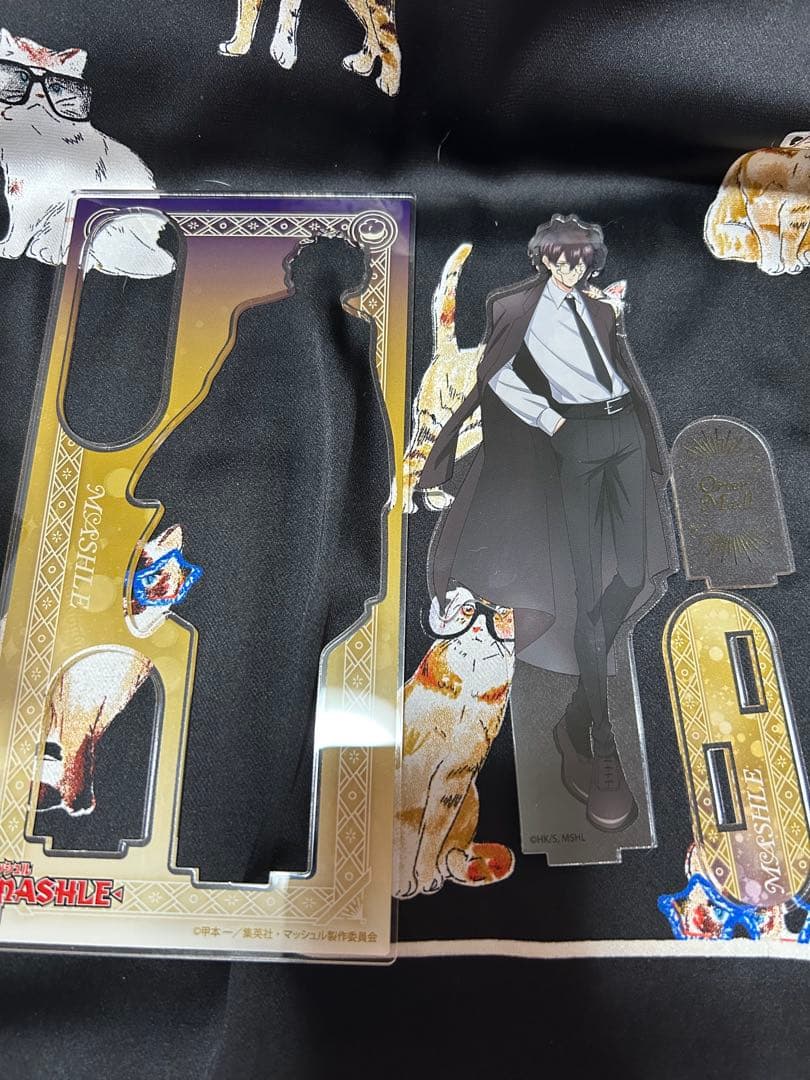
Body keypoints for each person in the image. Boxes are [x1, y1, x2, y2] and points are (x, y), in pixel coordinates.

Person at [417, 214, 675, 831]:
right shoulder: (512, 306)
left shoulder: (602, 309)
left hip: (621, 433)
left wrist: (651, 450)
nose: (571, 267)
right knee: (587, 590)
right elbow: (492, 377)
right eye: (562, 257)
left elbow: (625, 373)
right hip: (572, 440)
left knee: (634, 574)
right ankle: (599, 741)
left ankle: (579, 712)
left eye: (581, 258)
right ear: (543, 257)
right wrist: (545, 419)